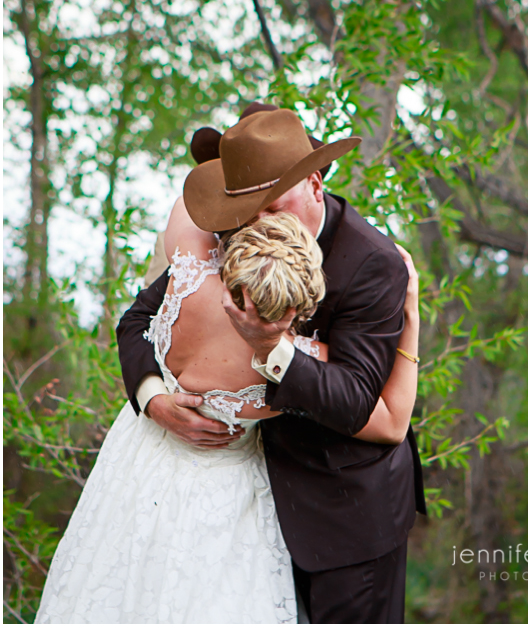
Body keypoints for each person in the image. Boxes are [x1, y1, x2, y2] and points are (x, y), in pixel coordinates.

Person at [117, 107, 427, 623]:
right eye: (248, 211)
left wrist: (271, 347)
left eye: (273, 206)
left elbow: (356, 400)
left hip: (345, 514)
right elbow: (140, 320)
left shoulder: (374, 265)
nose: (259, 226)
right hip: (244, 509)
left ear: (313, 182)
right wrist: (154, 399)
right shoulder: (233, 231)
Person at [35, 215, 419, 621]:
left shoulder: (188, 279)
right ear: (295, 307)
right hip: (224, 504)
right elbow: (391, 421)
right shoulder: (297, 363)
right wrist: (409, 319)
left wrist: (152, 395)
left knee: (108, 586)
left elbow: (139, 310)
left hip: (135, 467)